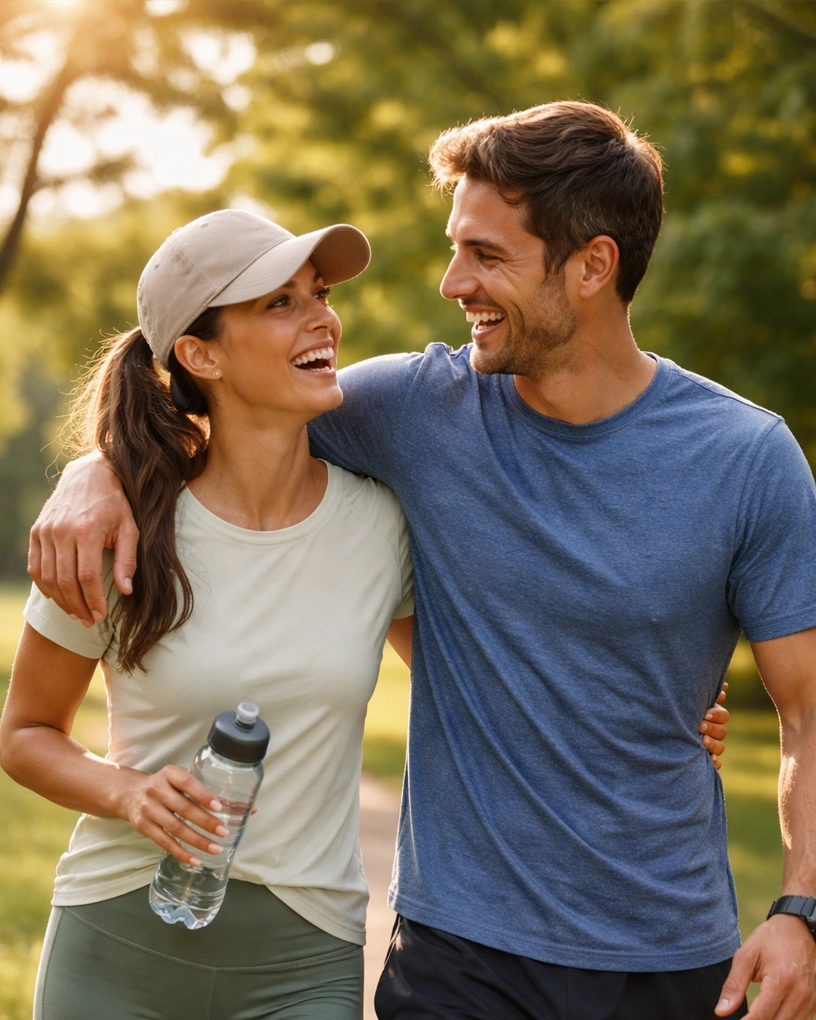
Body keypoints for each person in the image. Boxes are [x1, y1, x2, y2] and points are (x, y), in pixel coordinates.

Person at [24, 101, 797, 1020]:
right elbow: (224, 408)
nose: (449, 282)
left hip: (666, 953)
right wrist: (95, 468)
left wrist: (801, 907)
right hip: (456, 956)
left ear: (594, 265)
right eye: (454, 246)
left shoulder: (747, 458)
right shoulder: (412, 409)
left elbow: (808, 714)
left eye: (486, 255)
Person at [0, 210, 417, 1019]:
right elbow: (25, 734)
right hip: (116, 945)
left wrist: (658, 716)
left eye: (319, 294)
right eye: (279, 304)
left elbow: (478, 681)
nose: (323, 318)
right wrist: (126, 793)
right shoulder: (121, 530)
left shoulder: (381, 526)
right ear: (200, 355)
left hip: (306, 957)